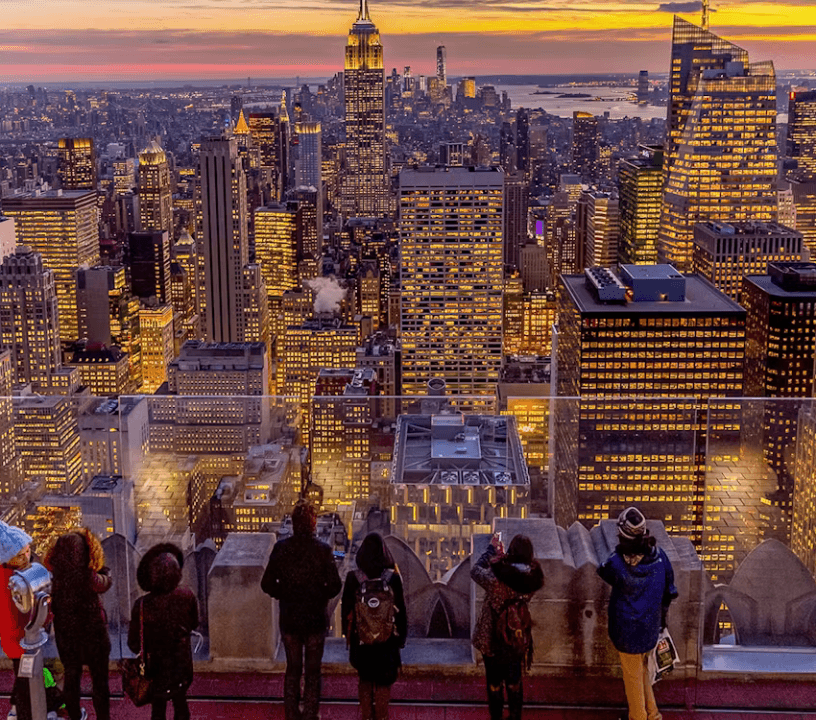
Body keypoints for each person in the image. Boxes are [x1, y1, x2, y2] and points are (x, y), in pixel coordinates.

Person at [261, 501, 342, 720]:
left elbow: (266, 584)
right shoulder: (323, 551)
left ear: (294, 524)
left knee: (293, 669)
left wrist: (285, 592)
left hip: (290, 619)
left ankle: (291, 714)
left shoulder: (281, 549)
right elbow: (335, 586)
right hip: (315, 619)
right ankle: (311, 714)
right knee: (313, 672)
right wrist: (319, 593)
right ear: (313, 524)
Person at [597, 507, 678, 720]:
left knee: (633, 679)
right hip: (650, 627)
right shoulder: (660, 557)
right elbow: (670, 591)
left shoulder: (617, 562)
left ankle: (639, 717)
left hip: (626, 630)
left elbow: (602, 570)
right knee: (642, 672)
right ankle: (653, 714)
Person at [471, 532, 544, 720]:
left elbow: (476, 571)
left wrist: (492, 553)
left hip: (492, 638)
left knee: (494, 682)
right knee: (514, 681)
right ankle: (514, 716)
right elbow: (518, 575)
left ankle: (496, 717)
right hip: (516, 637)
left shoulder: (496, 580)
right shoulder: (531, 581)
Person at [44, 529, 112, 720]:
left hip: (67, 634)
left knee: (71, 677)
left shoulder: (54, 577)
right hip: (94, 633)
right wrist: (100, 570)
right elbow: (104, 583)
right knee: (100, 681)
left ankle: (74, 716)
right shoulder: (88, 576)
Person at [128, 543, 199, 720]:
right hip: (181, 665)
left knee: (158, 709)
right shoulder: (187, 596)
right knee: (180, 703)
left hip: (155, 669)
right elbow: (194, 624)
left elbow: (133, 643)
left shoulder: (142, 605)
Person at [341, 533, 407, 720]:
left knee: (365, 678)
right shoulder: (392, 578)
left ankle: (366, 716)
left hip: (361, 640)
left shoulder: (354, 578)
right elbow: (400, 610)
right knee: (383, 681)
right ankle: (382, 716)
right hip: (387, 641)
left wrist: (349, 638)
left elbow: (346, 611)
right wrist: (401, 638)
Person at [0, 521, 35, 720]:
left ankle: (18, 709)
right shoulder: (12, 580)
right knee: (25, 679)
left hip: (16, 638)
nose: (26, 557)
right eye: (20, 556)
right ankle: (20, 712)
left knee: (23, 677)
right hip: (19, 639)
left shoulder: (12, 574)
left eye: (28, 551)